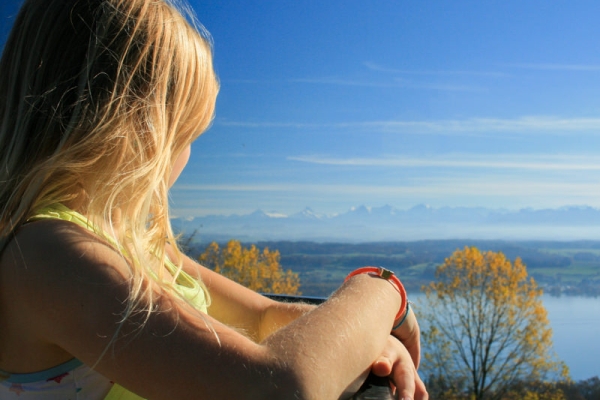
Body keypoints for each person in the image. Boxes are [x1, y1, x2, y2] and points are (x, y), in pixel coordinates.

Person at [0, 0, 427, 399]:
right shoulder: (49, 257)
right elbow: (277, 387)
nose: (186, 157)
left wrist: (367, 339)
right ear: (140, 132)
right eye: (186, 136)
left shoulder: (131, 246)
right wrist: (381, 289)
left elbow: (260, 318)